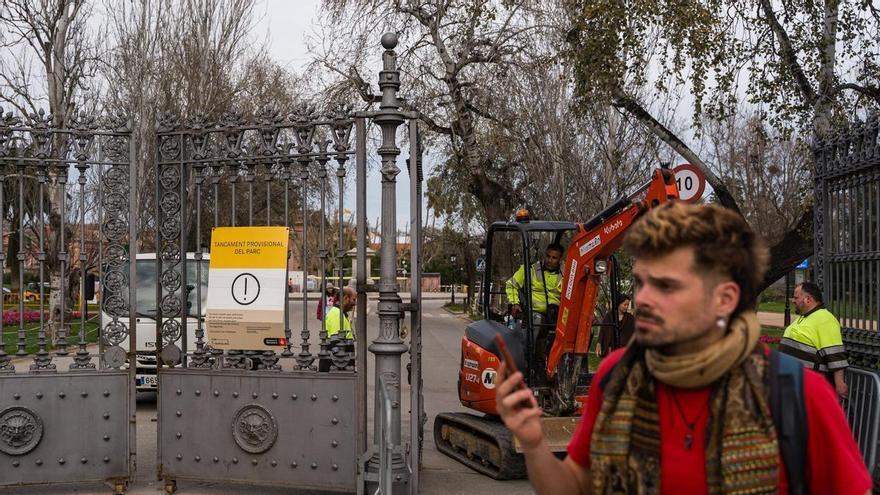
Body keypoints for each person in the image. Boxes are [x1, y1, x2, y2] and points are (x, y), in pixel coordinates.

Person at [495, 202, 871, 494]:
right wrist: (533, 443)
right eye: (641, 283)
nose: (643, 300)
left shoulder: (798, 398)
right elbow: (573, 488)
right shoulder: (615, 379)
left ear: (724, 299)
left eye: (666, 286)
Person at [779, 281, 849, 399]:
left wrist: (839, 383)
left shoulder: (825, 319)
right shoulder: (805, 317)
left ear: (808, 299)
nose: (793, 300)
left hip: (809, 385)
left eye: (796, 297)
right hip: (793, 382)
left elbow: (835, 354)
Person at [505, 243, 565, 322]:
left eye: (554, 258)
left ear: (560, 259)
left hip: (557, 316)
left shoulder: (568, 273)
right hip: (534, 316)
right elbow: (511, 284)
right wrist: (515, 303)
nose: (549, 260)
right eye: (548, 256)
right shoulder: (529, 269)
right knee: (538, 321)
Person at [595, 294, 635, 358]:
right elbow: (603, 330)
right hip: (610, 350)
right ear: (619, 304)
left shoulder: (630, 318)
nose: (626, 307)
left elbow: (634, 333)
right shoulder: (609, 316)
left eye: (627, 305)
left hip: (623, 351)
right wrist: (599, 343)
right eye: (624, 304)